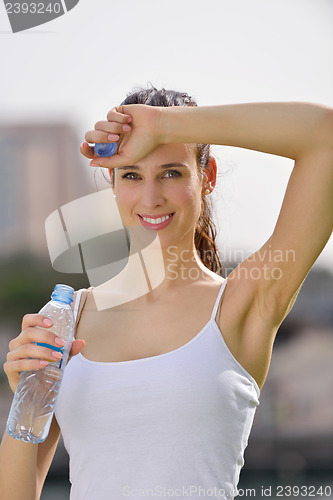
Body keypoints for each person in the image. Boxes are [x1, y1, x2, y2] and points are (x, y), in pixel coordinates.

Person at [1, 86, 332, 500]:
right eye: (132, 175)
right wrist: (24, 398)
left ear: (206, 178)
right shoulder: (68, 318)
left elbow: (325, 136)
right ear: (113, 184)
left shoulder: (242, 305)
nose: (151, 197)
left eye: (172, 172)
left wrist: (161, 125)